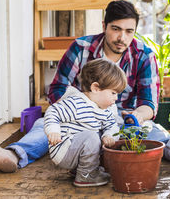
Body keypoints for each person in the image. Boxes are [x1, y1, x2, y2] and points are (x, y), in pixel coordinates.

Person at [0, 0, 170, 173]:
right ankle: (11, 156)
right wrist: (81, 111)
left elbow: (148, 104)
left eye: (128, 31)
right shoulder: (81, 48)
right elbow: (57, 90)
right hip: (76, 117)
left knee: (149, 129)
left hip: (121, 119)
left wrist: (135, 117)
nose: (121, 38)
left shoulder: (144, 55)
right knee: (45, 125)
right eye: (115, 29)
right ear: (104, 25)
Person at [45, 58, 124, 187]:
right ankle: (86, 177)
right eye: (113, 93)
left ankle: (81, 169)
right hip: (63, 151)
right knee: (92, 137)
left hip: (75, 151)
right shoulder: (76, 103)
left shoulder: (105, 109)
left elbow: (112, 125)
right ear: (96, 88)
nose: (116, 98)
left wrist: (109, 135)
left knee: (98, 136)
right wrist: (53, 130)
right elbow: (53, 112)